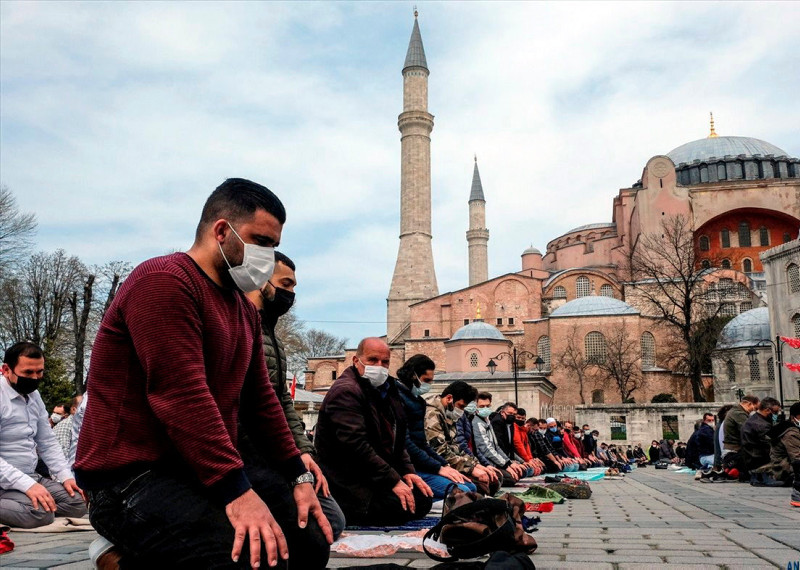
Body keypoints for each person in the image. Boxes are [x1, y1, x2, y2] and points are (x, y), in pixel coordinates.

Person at [75, 179, 332, 569]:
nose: (267, 255)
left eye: (273, 244)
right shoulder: (163, 282)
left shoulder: (243, 309)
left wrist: (297, 475)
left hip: (195, 471)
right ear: (221, 231)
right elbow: (181, 395)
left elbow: (261, 401)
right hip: (131, 478)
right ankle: (119, 554)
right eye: (259, 241)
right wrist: (237, 492)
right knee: (248, 556)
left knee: (310, 542)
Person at [242, 251, 346, 540]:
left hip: (277, 454)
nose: (290, 294)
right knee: (317, 532)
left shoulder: (272, 338)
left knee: (330, 521)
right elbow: (252, 409)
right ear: (260, 280)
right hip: (252, 458)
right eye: (285, 284)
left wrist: (302, 452)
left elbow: (282, 401)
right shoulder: (239, 327)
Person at [315, 338, 432, 526]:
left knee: (422, 496)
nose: (380, 366)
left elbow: (397, 439)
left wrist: (407, 472)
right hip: (350, 481)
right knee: (408, 504)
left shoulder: (385, 389)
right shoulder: (347, 392)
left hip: (374, 476)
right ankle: (349, 510)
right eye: (373, 360)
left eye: (385, 362)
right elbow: (355, 446)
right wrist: (393, 480)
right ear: (356, 361)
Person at [0, 342, 87, 529]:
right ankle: (24, 505)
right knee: (41, 513)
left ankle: (22, 505)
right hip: (4, 480)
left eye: (39, 372)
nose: (35, 378)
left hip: (30, 474)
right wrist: (27, 486)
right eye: (28, 373)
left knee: (77, 503)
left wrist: (66, 477)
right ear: (6, 369)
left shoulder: (34, 396)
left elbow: (47, 441)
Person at [396, 354, 477, 499]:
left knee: (471, 486)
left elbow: (422, 443)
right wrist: (439, 467)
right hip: (411, 466)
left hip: (421, 463)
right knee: (464, 491)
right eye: (426, 380)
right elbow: (408, 444)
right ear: (413, 376)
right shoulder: (400, 399)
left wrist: (444, 466)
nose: (428, 385)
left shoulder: (417, 401)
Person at [424, 381, 500, 496]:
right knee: (470, 488)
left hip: (447, 463)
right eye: (461, 406)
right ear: (449, 398)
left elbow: (457, 447)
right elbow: (440, 451)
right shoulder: (432, 413)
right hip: (434, 465)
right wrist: (470, 468)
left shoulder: (448, 413)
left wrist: (476, 465)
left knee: (492, 480)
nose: (461, 411)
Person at [473, 393, 527, 485]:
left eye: (487, 406)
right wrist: (505, 465)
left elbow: (496, 446)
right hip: (486, 462)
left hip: (495, 461)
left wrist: (509, 463)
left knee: (521, 471)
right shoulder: (477, 422)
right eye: (482, 406)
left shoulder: (487, 421)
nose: (485, 408)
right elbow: (485, 448)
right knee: (511, 478)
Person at [752, 402, 800, 497]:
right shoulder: (791, 433)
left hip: (782, 464)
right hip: (783, 467)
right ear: (795, 417)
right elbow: (797, 456)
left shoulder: (789, 428)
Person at [741, 397, 781, 480]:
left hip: (750, 458)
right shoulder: (761, 425)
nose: (777, 414)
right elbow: (770, 445)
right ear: (767, 410)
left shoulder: (754, 419)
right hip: (758, 460)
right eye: (775, 412)